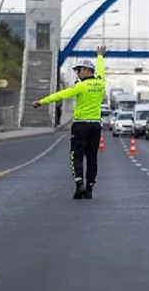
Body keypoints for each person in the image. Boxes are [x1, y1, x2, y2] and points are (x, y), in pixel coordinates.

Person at [33, 46, 107, 199]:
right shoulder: (101, 84)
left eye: (79, 70)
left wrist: (42, 101)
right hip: (95, 126)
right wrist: (100, 56)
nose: (78, 73)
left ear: (86, 71)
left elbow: (61, 95)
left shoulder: (80, 86)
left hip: (80, 125)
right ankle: (90, 188)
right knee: (92, 157)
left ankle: (79, 185)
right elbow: (101, 70)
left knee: (77, 156)